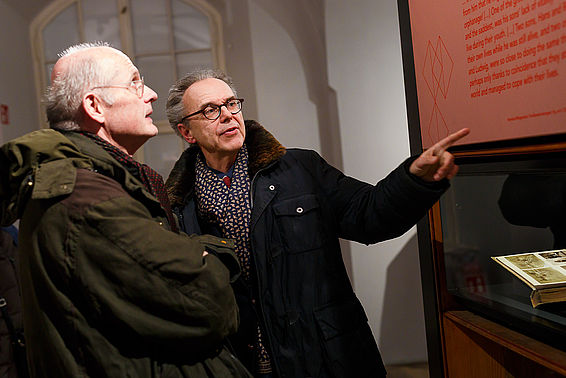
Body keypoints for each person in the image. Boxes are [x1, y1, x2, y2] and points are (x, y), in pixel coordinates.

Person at [165, 69, 469, 377]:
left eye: (231, 104)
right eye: (210, 110)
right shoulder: (178, 205)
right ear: (187, 132)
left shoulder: (300, 169)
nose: (228, 116)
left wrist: (414, 180)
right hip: (239, 362)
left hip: (324, 356)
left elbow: (369, 215)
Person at [0, 43, 252, 377]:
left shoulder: (116, 181)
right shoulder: (83, 197)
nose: (149, 93)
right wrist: (213, 253)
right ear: (95, 106)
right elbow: (209, 304)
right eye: (134, 82)